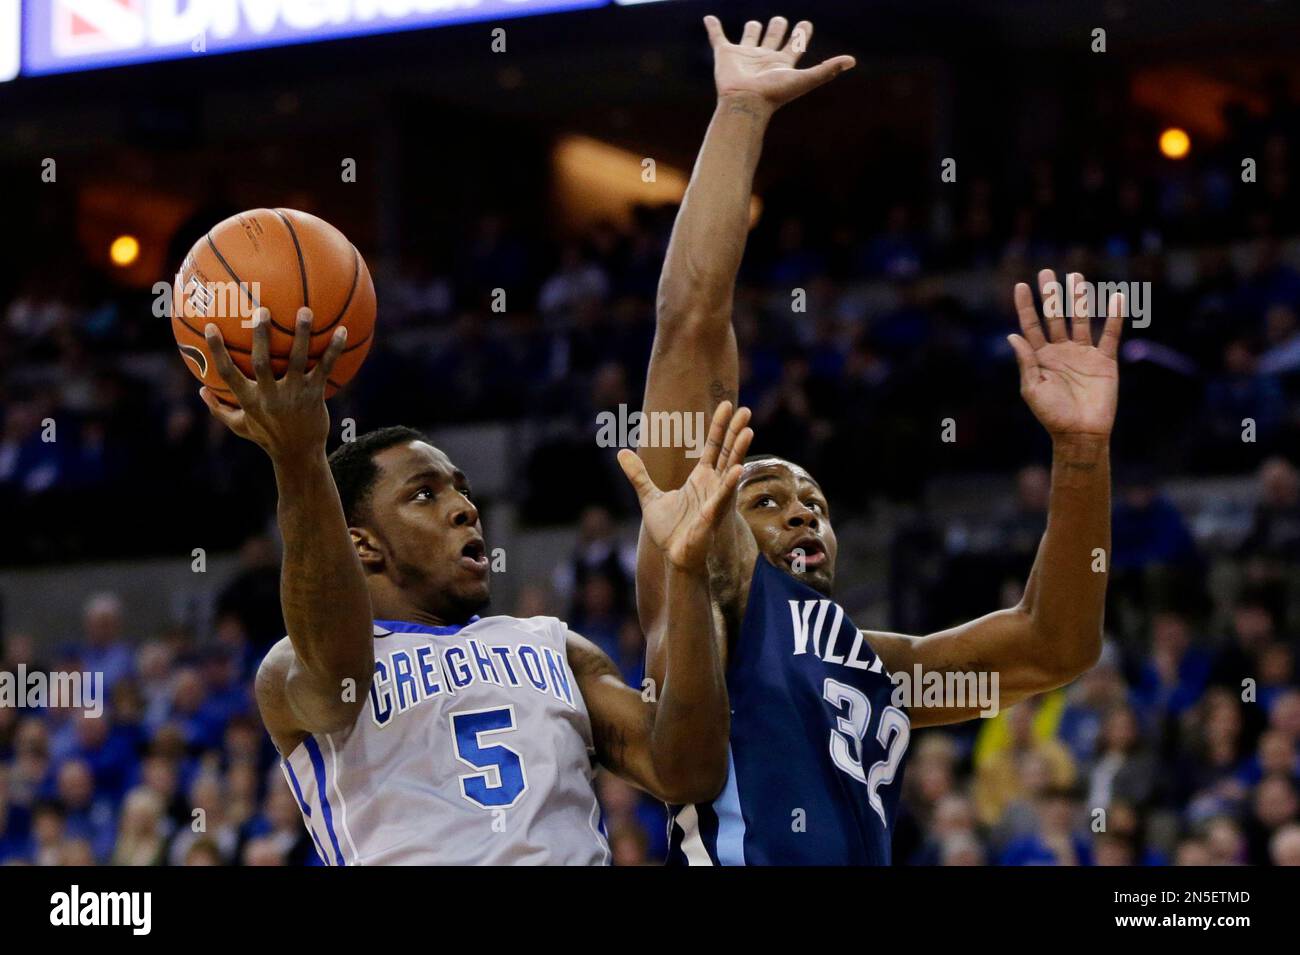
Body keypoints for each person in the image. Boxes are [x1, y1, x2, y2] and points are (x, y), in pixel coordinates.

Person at [635, 14, 1123, 864]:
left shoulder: (883, 668)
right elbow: (689, 321)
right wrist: (741, 115)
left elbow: (1056, 645)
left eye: (815, 505)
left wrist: (1081, 453)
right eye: (770, 497)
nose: (803, 515)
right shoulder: (706, 592)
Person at [196, 309, 745, 864]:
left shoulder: (556, 646)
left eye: (461, 491)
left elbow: (688, 771)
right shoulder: (297, 670)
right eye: (423, 494)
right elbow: (336, 662)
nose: (464, 508)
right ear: (362, 543)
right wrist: (298, 456)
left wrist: (686, 568)